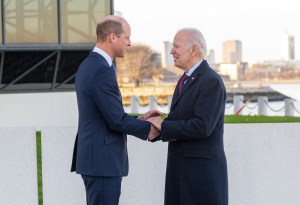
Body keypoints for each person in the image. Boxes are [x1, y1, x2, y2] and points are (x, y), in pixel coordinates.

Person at [70, 15, 163, 205]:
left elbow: (108, 115)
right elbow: (116, 121)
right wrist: (151, 130)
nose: (129, 43)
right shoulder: (100, 69)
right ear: (113, 37)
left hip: (97, 160)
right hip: (103, 161)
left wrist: (140, 119)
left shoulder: (92, 65)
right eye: (127, 37)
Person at [148, 28, 228, 205]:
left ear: (194, 49)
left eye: (176, 46)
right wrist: (153, 125)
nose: (171, 51)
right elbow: (182, 120)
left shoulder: (211, 81)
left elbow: (202, 126)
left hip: (201, 177)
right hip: (182, 174)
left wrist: (163, 126)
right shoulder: (185, 79)